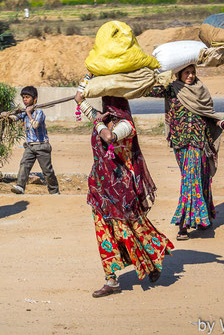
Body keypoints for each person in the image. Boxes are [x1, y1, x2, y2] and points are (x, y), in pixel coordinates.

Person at [74, 91, 174, 298]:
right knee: (104, 233)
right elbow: (90, 112)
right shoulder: (104, 120)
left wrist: (98, 120)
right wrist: (82, 100)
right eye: (105, 103)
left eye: (110, 104)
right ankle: (111, 280)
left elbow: (108, 136)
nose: (106, 109)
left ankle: (153, 260)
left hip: (121, 190)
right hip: (100, 189)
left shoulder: (126, 126)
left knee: (132, 229)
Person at [147, 65, 224, 240]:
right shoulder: (171, 89)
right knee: (199, 179)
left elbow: (211, 115)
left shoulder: (201, 90)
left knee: (191, 181)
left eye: (192, 72)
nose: (190, 76)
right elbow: (148, 91)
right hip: (179, 143)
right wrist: (155, 76)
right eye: (186, 72)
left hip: (199, 143)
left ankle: (183, 225)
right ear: (179, 73)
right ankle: (205, 218)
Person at [5, 86, 59, 195]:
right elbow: (14, 118)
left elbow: (35, 125)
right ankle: (20, 186)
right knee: (24, 164)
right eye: (23, 97)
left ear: (35, 99)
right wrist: (6, 115)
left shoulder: (39, 113)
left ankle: (54, 191)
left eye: (27, 97)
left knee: (47, 171)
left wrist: (29, 113)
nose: (25, 100)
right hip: (30, 146)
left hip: (42, 146)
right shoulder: (23, 112)